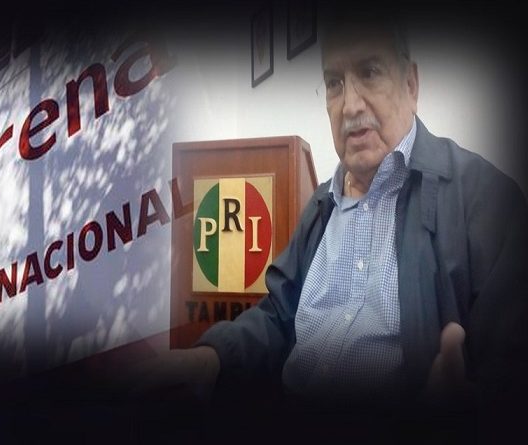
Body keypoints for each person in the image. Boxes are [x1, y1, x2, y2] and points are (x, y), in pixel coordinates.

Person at [134, 10, 528, 440]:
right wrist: (212, 359)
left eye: (370, 72)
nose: (350, 105)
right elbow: (277, 317)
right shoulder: (321, 204)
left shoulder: (487, 201)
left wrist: (462, 415)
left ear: (411, 85)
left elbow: (509, 379)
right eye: (335, 82)